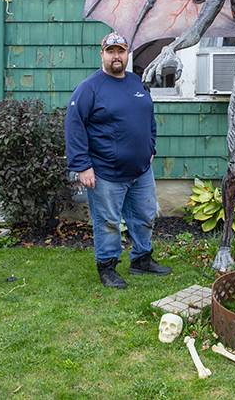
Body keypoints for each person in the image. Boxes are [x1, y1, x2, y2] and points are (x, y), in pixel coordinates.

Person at [65, 32, 171, 289]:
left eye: (120, 51)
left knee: (145, 215)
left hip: (141, 171)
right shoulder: (90, 88)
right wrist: (82, 166)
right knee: (109, 223)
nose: (116, 56)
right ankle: (107, 266)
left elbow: (148, 117)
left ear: (127, 54)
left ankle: (141, 260)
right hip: (105, 173)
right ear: (102, 54)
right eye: (111, 51)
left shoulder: (136, 83)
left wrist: (151, 146)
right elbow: (74, 126)